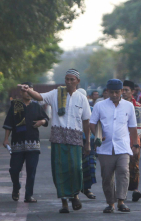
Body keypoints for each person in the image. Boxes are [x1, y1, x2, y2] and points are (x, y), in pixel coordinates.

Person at [23, 69, 91, 213]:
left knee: (76, 169)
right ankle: (64, 202)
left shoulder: (82, 98)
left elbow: (86, 121)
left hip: (75, 138)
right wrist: (28, 90)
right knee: (60, 170)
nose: (69, 82)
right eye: (67, 79)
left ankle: (75, 195)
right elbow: (39, 97)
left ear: (77, 81)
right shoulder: (56, 93)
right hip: (58, 138)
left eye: (72, 79)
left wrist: (88, 142)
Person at [89, 79, 139, 213]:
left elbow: (133, 127)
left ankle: (121, 201)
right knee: (107, 176)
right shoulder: (100, 105)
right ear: (107, 92)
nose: (115, 95)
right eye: (112, 92)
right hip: (105, 148)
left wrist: (135, 144)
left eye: (117, 92)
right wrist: (97, 135)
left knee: (123, 171)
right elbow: (92, 123)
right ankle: (110, 203)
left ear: (122, 91)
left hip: (122, 146)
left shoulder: (128, 106)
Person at [3, 82, 49, 203]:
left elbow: (46, 118)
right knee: (14, 169)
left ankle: (28, 195)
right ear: (21, 92)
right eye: (25, 91)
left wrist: (42, 122)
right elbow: (8, 123)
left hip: (33, 142)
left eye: (30, 91)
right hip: (17, 143)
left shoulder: (36, 106)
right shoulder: (15, 105)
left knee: (31, 170)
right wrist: (6, 138)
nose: (27, 93)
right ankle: (16, 187)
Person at [121, 80, 141, 202]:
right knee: (121, 167)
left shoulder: (138, 107)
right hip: (120, 140)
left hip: (134, 141)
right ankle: (122, 191)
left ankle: (135, 189)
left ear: (132, 92)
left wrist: (136, 142)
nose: (123, 92)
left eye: (126, 90)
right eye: (122, 90)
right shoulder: (117, 105)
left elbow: (140, 125)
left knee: (134, 166)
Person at [78, 88, 98, 201]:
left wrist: (96, 140)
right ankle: (75, 190)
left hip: (89, 141)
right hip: (75, 142)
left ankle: (87, 188)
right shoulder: (71, 111)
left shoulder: (93, 110)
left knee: (91, 165)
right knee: (77, 167)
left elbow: (98, 127)